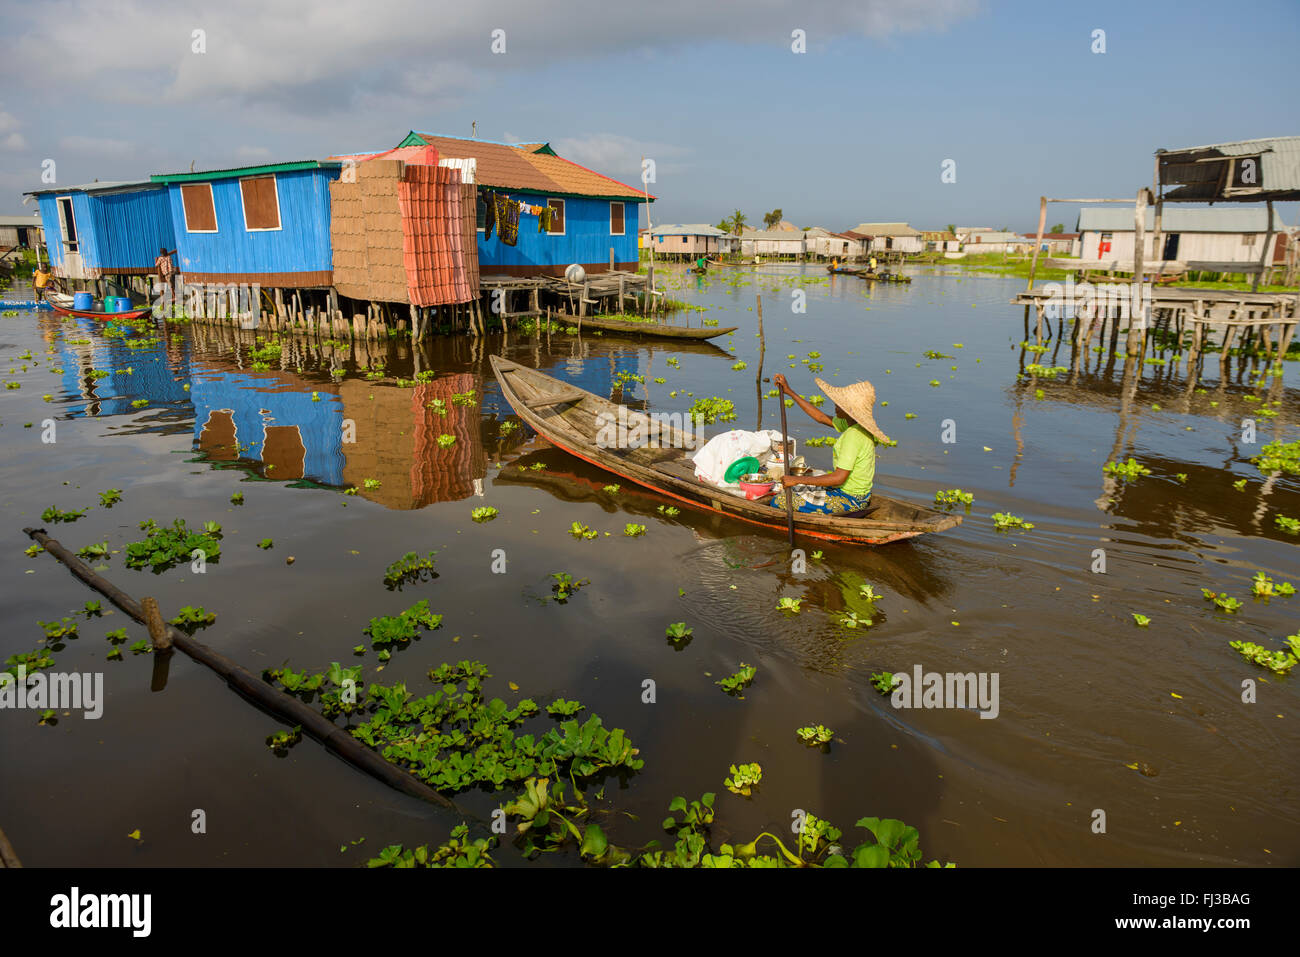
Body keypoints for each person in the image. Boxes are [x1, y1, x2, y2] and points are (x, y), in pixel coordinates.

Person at [769, 372, 890, 515]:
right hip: (858, 495)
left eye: (839, 404)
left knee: (779, 500)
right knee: (793, 489)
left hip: (850, 499)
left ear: (849, 410)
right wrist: (790, 392)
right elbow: (820, 417)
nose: (835, 405)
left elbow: (839, 478)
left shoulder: (853, 436)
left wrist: (796, 479)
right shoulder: (854, 425)